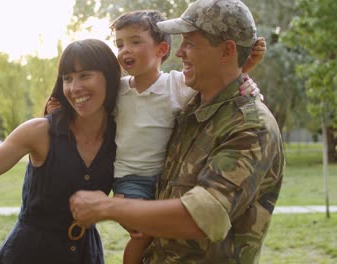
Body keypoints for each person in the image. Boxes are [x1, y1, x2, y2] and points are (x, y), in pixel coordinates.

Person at [69, 0, 285, 263]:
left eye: (190, 44)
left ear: (227, 50)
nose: (179, 52)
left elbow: (204, 217)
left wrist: (107, 206)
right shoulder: (192, 107)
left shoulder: (251, 126)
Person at [0, 39, 121, 264]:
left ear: (109, 77)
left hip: (85, 255)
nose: (74, 87)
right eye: (67, 78)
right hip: (29, 254)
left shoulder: (121, 137)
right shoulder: (39, 132)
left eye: (85, 75)